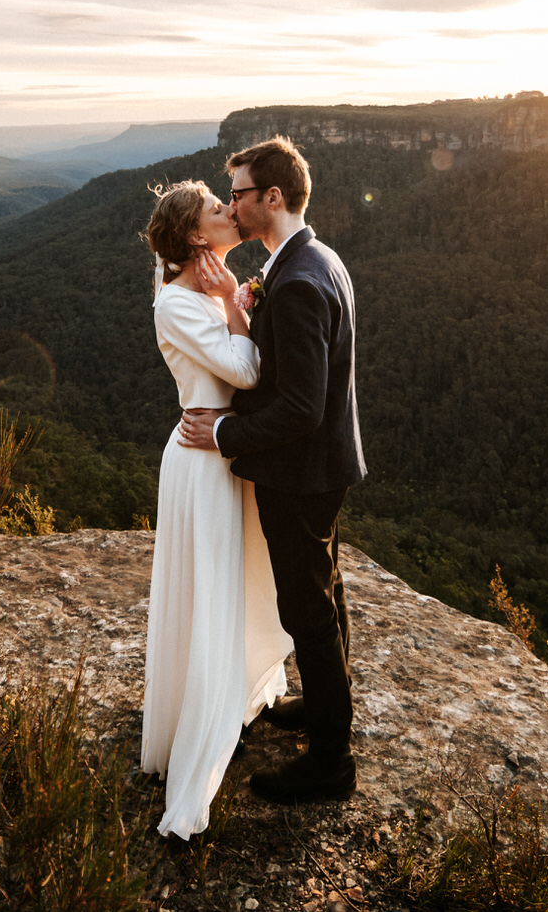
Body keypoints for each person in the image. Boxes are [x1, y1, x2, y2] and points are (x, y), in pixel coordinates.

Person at [179, 135, 366, 804]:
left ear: (273, 198)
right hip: (323, 467)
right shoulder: (315, 260)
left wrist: (225, 431)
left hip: (302, 470)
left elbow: (300, 408)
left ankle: (331, 764)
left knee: (306, 609)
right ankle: (324, 709)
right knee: (326, 591)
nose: (231, 205)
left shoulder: (300, 283)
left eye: (238, 194)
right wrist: (240, 303)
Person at [138, 180, 294, 839]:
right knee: (210, 590)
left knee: (237, 582)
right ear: (197, 236)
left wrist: (232, 297)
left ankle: (231, 691)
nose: (232, 211)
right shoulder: (179, 302)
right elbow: (247, 371)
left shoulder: (203, 288)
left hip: (222, 451)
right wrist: (237, 304)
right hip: (203, 464)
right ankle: (198, 731)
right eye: (217, 208)